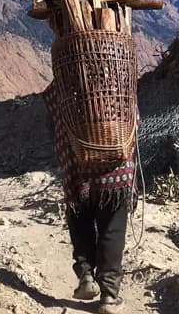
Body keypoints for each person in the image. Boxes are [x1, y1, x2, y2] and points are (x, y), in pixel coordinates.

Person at [44, 81, 137, 313]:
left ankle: (86, 275)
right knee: (112, 229)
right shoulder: (119, 86)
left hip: (77, 172)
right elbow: (135, 123)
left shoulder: (60, 90)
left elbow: (55, 130)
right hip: (115, 175)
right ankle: (109, 295)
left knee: (80, 220)